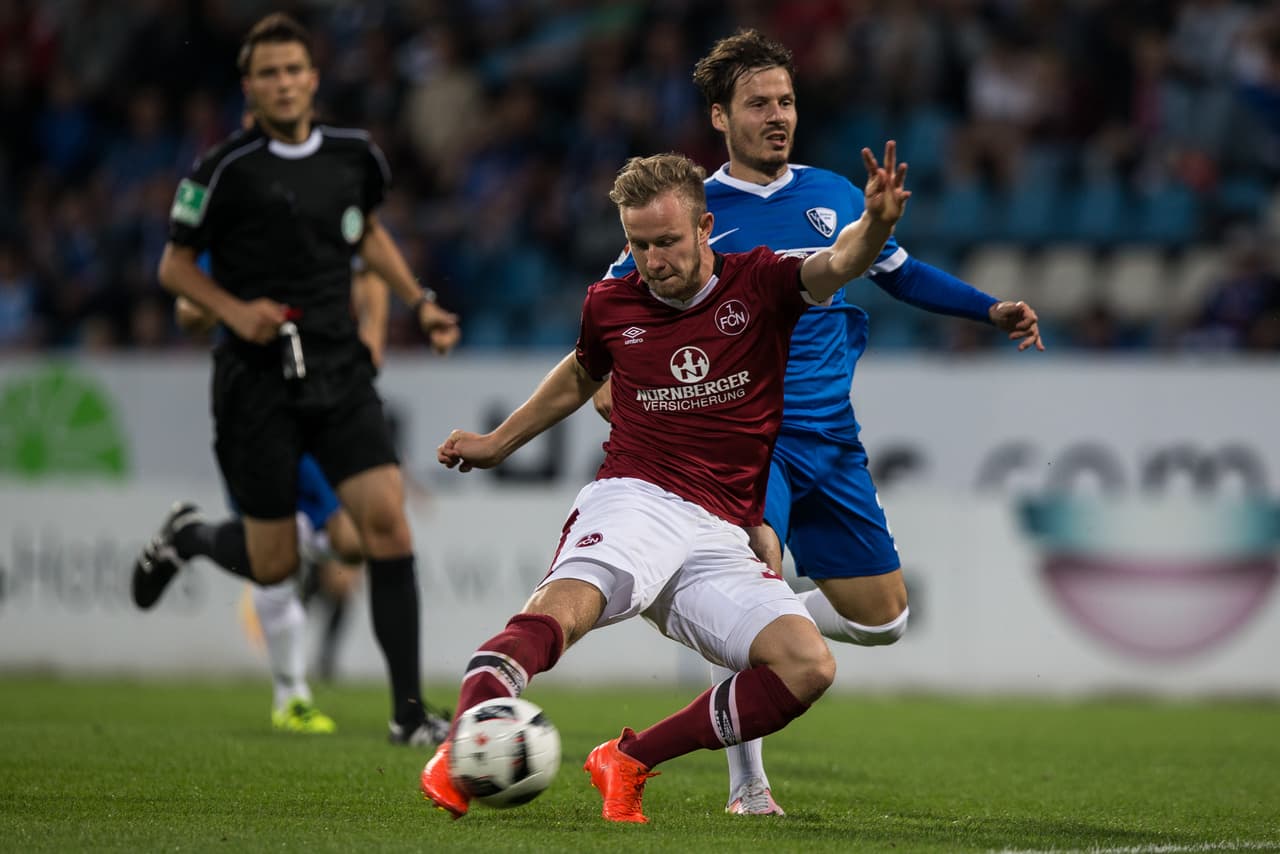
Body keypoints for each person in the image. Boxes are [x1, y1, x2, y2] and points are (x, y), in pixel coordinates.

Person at [598, 29, 1044, 815]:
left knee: (884, 621)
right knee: (755, 568)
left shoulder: (835, 192)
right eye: (758, 103)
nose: (777, 116)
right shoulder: (694, 211)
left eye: (786, 101)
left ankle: (756, 633)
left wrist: (988, 308)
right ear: (718, 117)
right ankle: (747, 788)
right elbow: (617, 311)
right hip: (740, 435)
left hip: (830, 438)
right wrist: (614, 382)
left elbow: (899, 274)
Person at [421, 146, 909, 823]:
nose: (655, 260)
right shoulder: (610, 303)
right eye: (639, 244)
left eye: (669, 241)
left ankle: (628, 759)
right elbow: (580, 375)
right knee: (564, 614)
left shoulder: (761, 283)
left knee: (808, 666)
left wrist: (878, 226)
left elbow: (837, 261)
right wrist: (498, 443)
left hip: (721, 529)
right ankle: (461, 743)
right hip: (635, 499)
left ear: (706, 228)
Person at [131, 12, 460, 746]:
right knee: (274, 561)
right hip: (255, 382)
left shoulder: (355, 156)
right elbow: (173, 267)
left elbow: (366, 234)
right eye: (268, 73)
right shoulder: (221, 169)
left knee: (385, 524)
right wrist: (230, 311)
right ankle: (188, 538)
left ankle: (409, 714)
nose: (283, 83)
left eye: (293, 70)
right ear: (250, 87)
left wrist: (420, 304)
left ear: (313, 78)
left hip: (338, 372)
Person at [171, 267, 387, 733]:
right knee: (278, 563)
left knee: (350, 542)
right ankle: (291, 695)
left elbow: (370, 271)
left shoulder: (326, 215)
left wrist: (373, 331)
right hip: (257, 405)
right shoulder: (242, 232)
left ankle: (193, 537)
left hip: (324, 403)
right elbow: (187, 306)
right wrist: (233, 311)